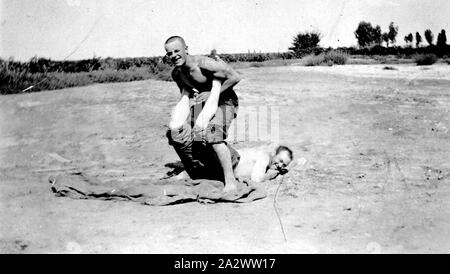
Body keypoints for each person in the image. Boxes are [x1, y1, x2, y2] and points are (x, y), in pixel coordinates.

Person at [164, 36, 242, 193]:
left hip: (225, 101)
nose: (174, 55)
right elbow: (185, 93)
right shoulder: (177, 74)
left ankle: (230, 180)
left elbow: (235, 77)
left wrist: (211, 93)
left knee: (213, 134)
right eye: (170, 53)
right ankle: (197, 170)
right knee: (181, 135)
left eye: (177, 51)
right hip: (205, 104)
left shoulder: (205, 64)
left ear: (186, 49)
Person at [174, 145, 304, 183]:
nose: (280, 165)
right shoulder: (265, 157)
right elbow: (256, 179)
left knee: (195, 172)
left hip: (222, 163)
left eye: (284, 165)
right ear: (274, 153)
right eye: (280, 160)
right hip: (227, 160)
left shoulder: (263, 154)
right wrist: (272, 174)